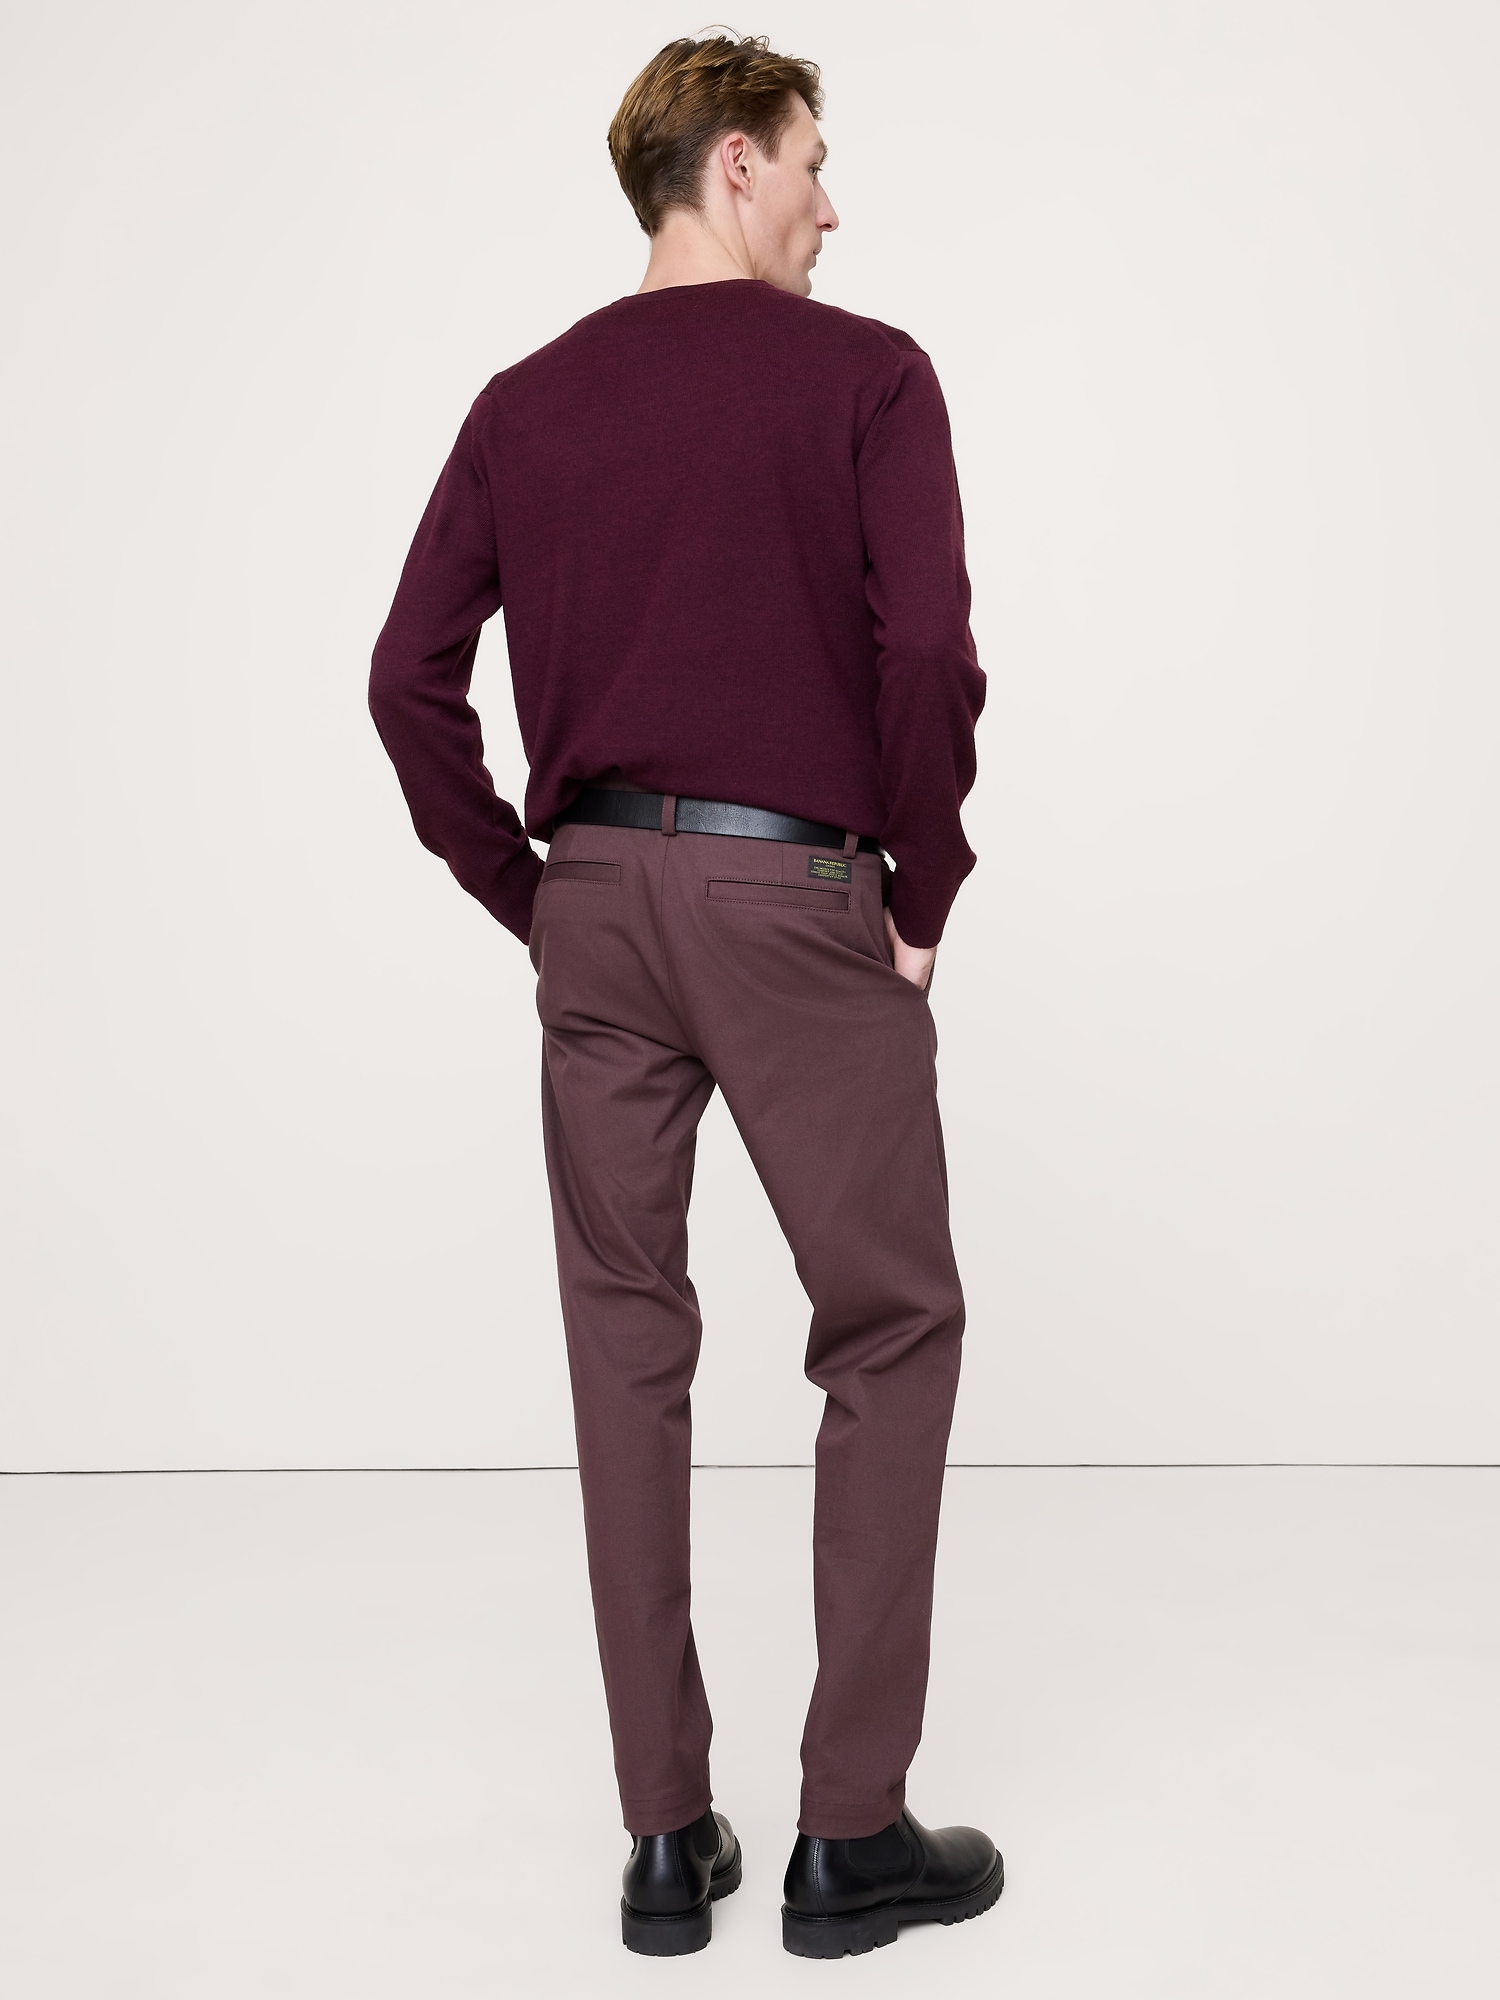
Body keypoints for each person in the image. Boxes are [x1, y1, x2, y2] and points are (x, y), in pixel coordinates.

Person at [369, 31, 1000, 1961]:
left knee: (624, 1355)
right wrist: (922, 888)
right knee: (889, 1327)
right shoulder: (868, 375)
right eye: (812, 161)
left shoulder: (525, 403)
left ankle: (664, 1839)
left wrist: (532, 892)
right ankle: (848, 1838)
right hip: (794, 893)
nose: (832, 204)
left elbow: (405, 679)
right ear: (733, 163)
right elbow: (929, 655)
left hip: (600, 905)